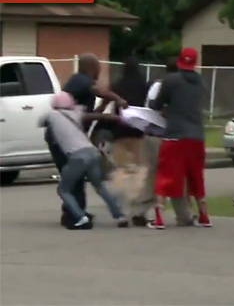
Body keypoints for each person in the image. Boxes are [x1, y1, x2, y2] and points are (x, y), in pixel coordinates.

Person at [49, 53, 127, 229]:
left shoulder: (76, 92)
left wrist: (103, 107)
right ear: (91, 69)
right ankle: (72, 215)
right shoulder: (80, 80)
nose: (100, 73)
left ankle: (78, 211)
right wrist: (116, 100)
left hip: (76, 141)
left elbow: (87, 115)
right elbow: (88, 107)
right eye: (98, 68)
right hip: (65, 141)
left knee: (79, 178)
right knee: (75, 179)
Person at [148, 48, 211, 229]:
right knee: (196, 176)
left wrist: (165, 107)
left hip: (175, 135)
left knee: (166, 175)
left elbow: (157, 103)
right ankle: (204, 214)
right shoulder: (200, 82)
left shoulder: (171, 80)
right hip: (197, 136)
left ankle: (159, 216)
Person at [129, 57, 195, 227]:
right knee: (176, 175)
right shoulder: (173, 87)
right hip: (166, 136)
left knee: (152, 175)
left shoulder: (157, 85)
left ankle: (139, 211)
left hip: (151, 135)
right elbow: (163, 110)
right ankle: (184, 215)